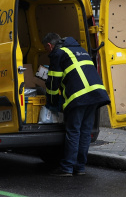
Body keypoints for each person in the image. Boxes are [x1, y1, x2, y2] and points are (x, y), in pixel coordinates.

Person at [42, 33, 110, 177]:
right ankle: (80, 167)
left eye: (46, 49)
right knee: (85, 132)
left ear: (49, 46)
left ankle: (67, 167)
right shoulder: (80, 50)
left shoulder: (58, 53)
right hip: (96, 94)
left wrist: (52, 103)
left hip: (78, 97)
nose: (47, 52)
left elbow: (53, 82)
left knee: (73, 131)